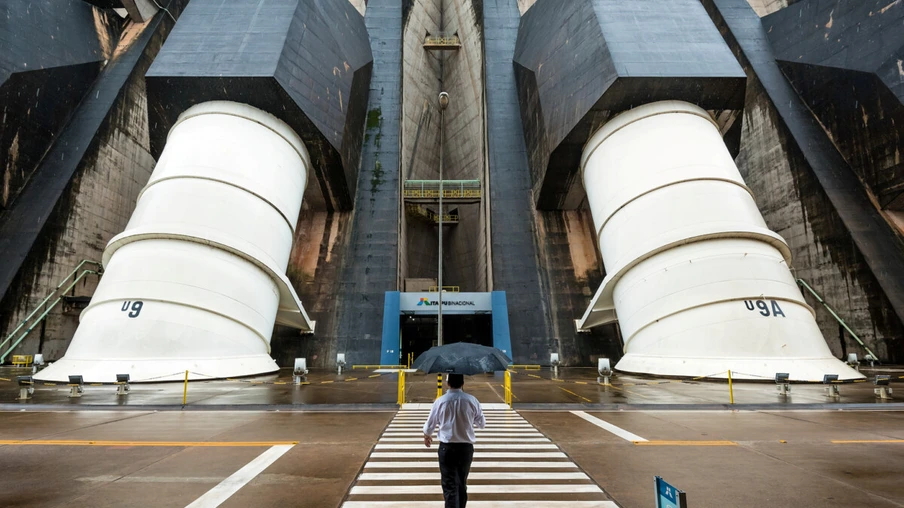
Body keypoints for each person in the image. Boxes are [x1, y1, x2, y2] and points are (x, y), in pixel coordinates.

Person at [422, 373, 486, 508]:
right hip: (465, 448)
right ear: (463, 383)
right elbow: (481, 423)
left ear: (448, 383)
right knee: (461, 483)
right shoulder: (471, 400)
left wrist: (427, 435)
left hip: (447, 448)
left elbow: (430, 423)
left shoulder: (441, 401)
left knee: (449, 485)